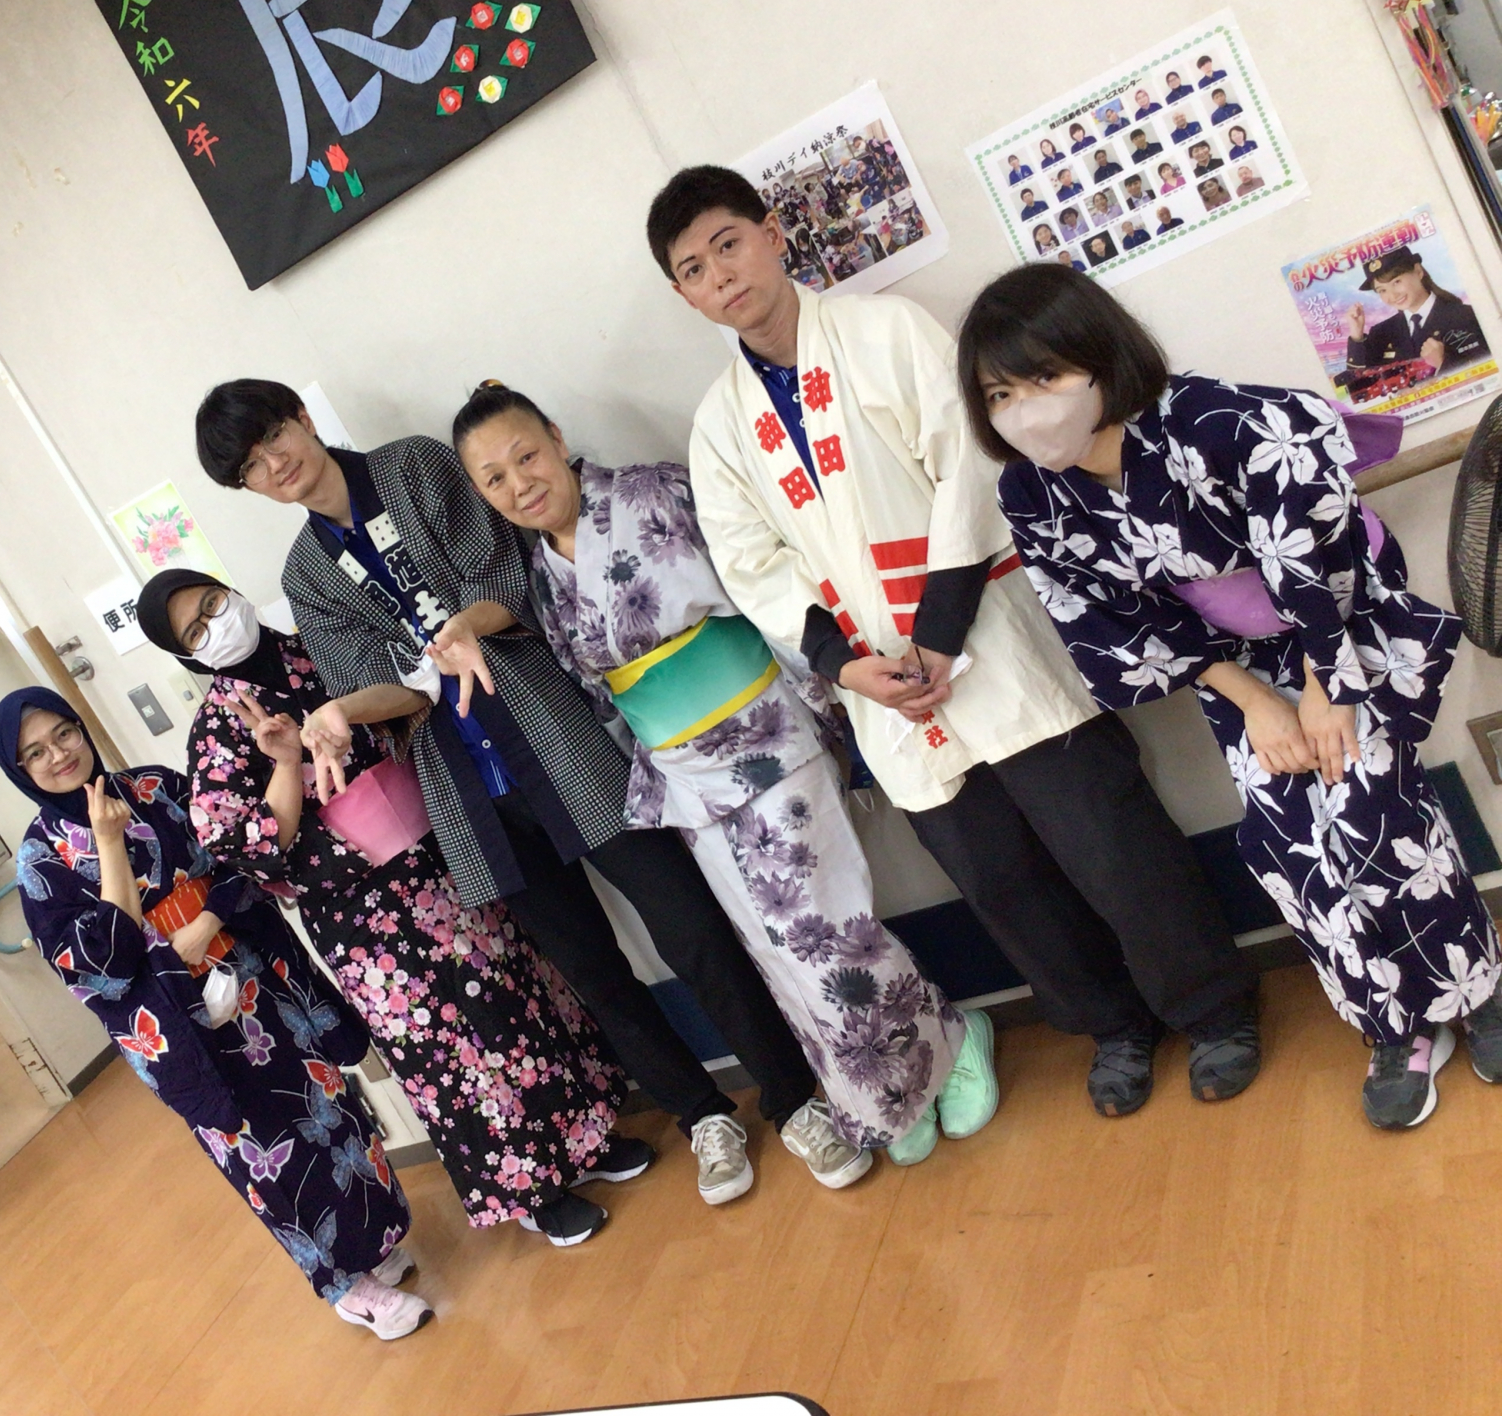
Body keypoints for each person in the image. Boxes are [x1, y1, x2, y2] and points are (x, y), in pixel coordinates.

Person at [646, 165, 1259, 1119]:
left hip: (991, 638)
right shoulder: (719, 427)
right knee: (1002, 882)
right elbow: (749, 564)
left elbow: (972, 466)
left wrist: (938, 632)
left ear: (772, 233)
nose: (720, 274)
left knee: (1110, 839)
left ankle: (1213, 1008)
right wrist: (844, 665)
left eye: (729, 243)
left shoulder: (887, 332)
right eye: (694, 268)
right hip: (880, 687)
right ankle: (1113, 1027)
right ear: (684, 296)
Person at [196, 380, 849, 1205]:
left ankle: (792, 1096)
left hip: (551, 729)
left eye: (273, 437)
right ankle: (702, 1115)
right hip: (466, 787)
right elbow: (377, 689)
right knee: (590, 971)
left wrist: (463, 627)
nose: (275, 464)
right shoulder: (307, 575)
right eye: (251, 467)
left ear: (300, 416)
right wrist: (340, 712)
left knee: (688, 926)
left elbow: (511, 575)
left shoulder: (414, 469)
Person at [959, 263, 1502, 1128]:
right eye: (1000, 394)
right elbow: (1107, 618)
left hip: (1340, 622)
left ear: (1100, 358)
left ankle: (1477, 988)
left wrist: (1324, 684)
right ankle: (1392, 1027)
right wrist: (1254, 701)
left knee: (1375, 806)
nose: (1026, 409)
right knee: (1291, 839)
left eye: (1045, 377)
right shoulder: (1031, 493)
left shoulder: (1223, 421)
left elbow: (1321, 551)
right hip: (1228, 662)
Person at [452, 385, 1002, 1168]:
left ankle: (951, 1041)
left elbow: (761, 593)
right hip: (681, 776)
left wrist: (828, 703)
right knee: (775, 948)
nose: (520, 484)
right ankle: (889, 1091)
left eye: (526, 456)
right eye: (495, 479)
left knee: (823, 927)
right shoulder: (540, 576)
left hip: (766, 733)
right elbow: (602, 694)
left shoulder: (656, 492)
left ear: (556, 437)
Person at [134, 570, 652, 1248]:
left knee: (520, 992)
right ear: (188, 655)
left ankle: (586, 1137)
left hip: (441, 848)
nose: (217, 624)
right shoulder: (217, 731)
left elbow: (408, 702)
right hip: (359, 907)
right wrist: (287, 764)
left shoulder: (320, 648)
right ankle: (531, 1190)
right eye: (197, 630)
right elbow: (240, 844)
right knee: (448, 1043)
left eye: (212, 603)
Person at [0, 689, 431, 1339]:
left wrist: (209, 919)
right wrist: (108, 843)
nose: (58, 755)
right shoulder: (41, 861)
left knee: (328, 1110)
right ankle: (346, 1287)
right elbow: (105, 960)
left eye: (64, 734)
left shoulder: (155, 787)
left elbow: (237, 854)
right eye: (35, 753)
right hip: (182, 1024)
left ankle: (371, 1244)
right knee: (264, 1148)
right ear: (19, 770)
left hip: (252, 977)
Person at [1345, 245, 1492, 376]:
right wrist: (1356, 337)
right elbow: (1360, 385)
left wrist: (1444, 363)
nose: (1392, 296)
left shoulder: (1466, 315)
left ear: (1418, 271)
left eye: (1396, 282)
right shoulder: (1381, 333)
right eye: (1382, 290)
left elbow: (1492, 370)